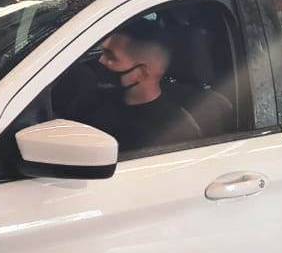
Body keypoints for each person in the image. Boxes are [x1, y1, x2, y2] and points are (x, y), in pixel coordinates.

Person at [54, 18, 200, 152]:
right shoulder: (93, 100)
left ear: (141, 73)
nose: (101, 61)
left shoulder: (173, 131)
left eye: (111, 56)